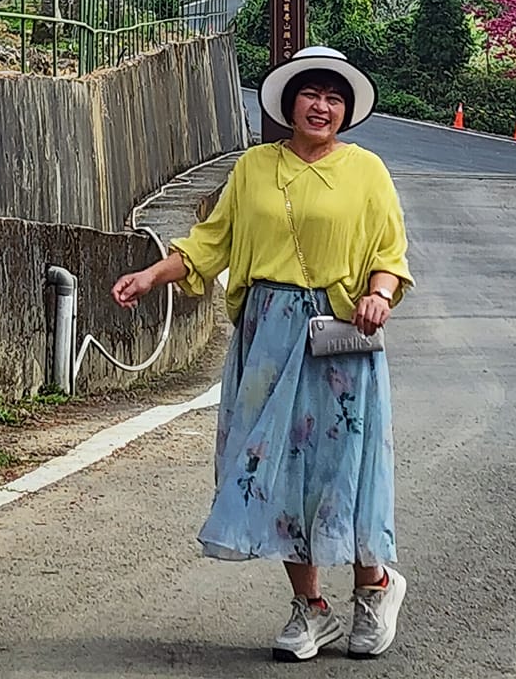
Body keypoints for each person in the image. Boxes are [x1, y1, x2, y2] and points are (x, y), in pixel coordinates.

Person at [112, 43, 412, 663]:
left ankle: (373, 589)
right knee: (278, 469)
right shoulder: (253, 168)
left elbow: (389, 254)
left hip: (338, 337)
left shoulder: (367, 172)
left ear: (347, 109)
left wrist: (379, 295)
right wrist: (152, 275)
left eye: (334, 97)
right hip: (268, 335)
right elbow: (208, 243)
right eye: (311, 94)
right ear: (289, 103)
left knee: (343, 469)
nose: (321, 106)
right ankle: (312, 608)